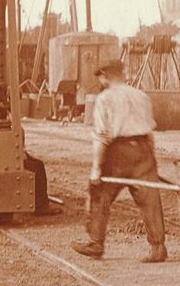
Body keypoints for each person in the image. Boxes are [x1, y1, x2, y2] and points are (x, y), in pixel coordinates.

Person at [71, 61, 167, 263]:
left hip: (118, 152)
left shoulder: (104, 99)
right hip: (143, 149)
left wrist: (96, 169)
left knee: (100, 193)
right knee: (150, 199)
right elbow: (150, 132)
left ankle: (96, 243)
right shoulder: (141, 96)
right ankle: (158, 247)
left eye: (100, 77)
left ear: (105, 76)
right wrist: (150, 159)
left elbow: (102, 137)